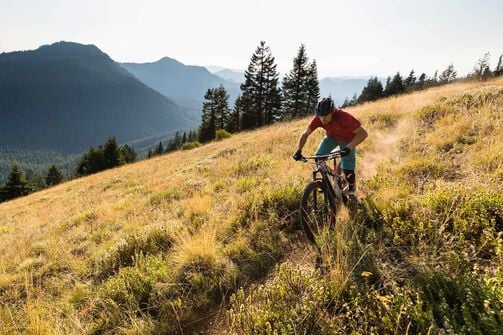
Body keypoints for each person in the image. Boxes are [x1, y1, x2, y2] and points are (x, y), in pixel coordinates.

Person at [293, 97, 368, 198]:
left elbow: (363, 134)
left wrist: (349, 147)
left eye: (325, 116)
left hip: (347, 139)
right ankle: (325, 183)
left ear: (332, 112)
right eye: (320, 116)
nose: (322, 119)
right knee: (319, 158)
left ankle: (352, 188)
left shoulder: (344, 117)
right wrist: (299, 150)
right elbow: (305, 134)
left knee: (348, 170)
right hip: (331, 136)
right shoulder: (318, 118)